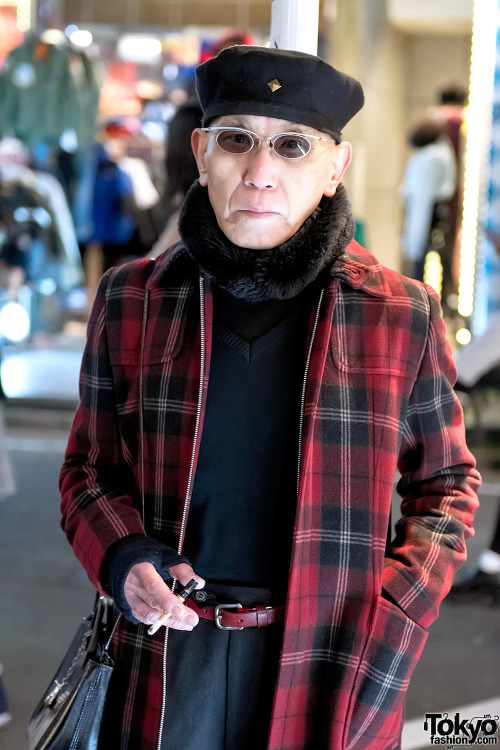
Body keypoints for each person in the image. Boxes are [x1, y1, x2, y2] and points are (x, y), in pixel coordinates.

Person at [60, 45, 481, 750]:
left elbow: (447, 483)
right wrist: (123, 554)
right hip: (167, 656)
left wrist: (395, 606)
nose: (260, 173)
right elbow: (86, 473)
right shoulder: (133, 299)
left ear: (334, 167)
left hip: (330, 656)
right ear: (201, 152)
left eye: (292, 147)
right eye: (237, 141)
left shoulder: (399, 314)